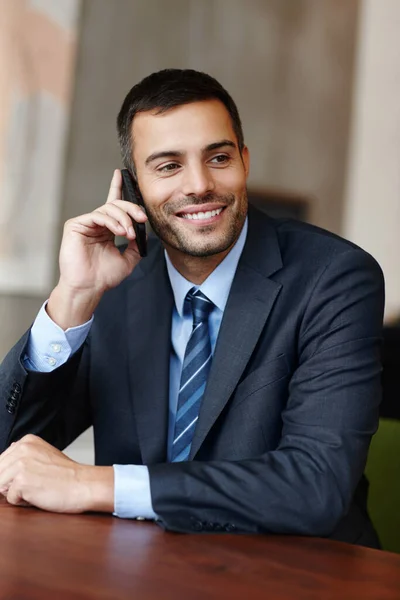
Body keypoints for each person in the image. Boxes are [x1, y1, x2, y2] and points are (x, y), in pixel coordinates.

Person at [0, 69, 384, 546]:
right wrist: (73, 298)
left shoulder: (335, 277)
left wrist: (93, 484)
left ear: (244, 160)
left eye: (219, 157)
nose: (200, 185)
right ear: (134, 185)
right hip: (140, 569)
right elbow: (9, 452)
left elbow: (315, 485)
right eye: (168, 166)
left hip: (297, 574)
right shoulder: (117, 282)